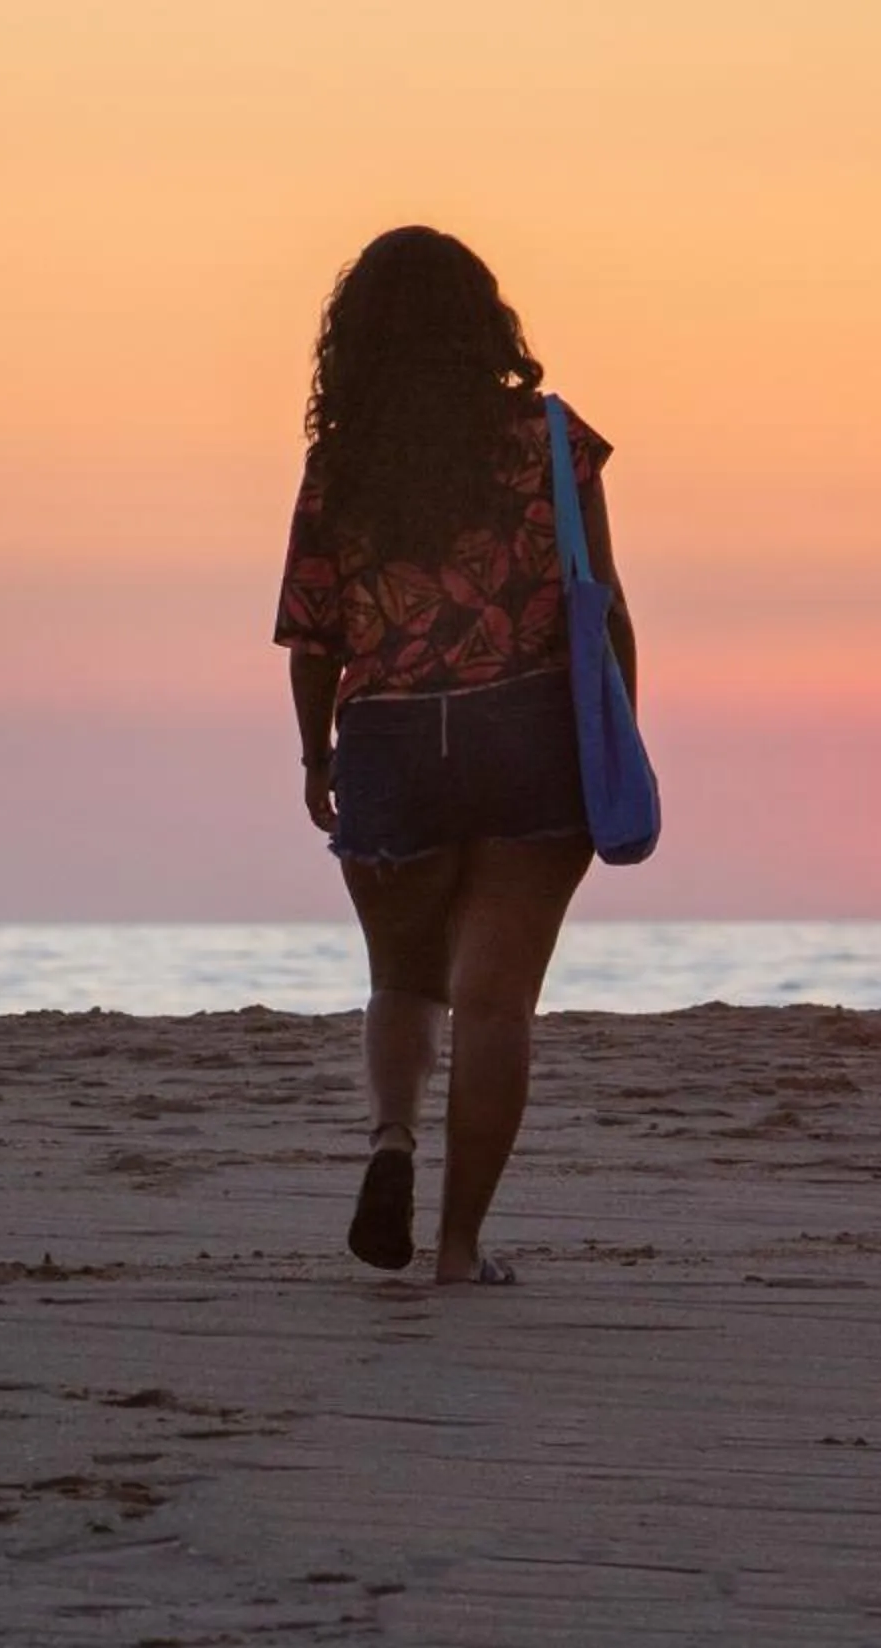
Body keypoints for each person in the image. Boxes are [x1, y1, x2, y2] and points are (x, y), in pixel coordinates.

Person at [276, 227, 638, 1287]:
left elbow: (313, 631)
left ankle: (391, 1140)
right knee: (494, 1003)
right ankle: (460, 1248)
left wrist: (315, 755)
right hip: (527, 730)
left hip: (390, 736)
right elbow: (603, 604)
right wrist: (617, 738)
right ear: (487, 321)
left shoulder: (341, 462)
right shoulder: (550, 440)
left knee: (401, 978)